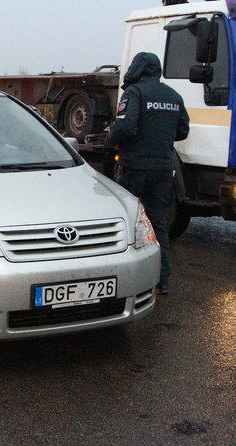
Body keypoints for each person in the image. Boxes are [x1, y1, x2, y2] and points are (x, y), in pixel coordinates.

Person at [108, 52, 190, 295]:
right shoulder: (173, 96)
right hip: (164, 170)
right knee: (158, 225)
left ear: (138, 68)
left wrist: (111, 136)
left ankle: (122, 281)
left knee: (125, 222)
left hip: (135, 168)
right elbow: (182, 131)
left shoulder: (135, 93)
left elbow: (125, 127)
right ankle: (162, 281)